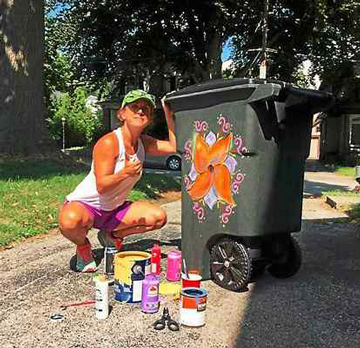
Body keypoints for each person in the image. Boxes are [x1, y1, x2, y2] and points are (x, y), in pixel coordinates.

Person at [58, 89, 176, 272]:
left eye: (146, 108)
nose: (140, 111)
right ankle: (83, 246)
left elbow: (172, 146)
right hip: (87, 206)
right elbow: (102, 186)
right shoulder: (109, 143)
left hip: (114, 209)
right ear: (122, 114)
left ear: (150, 118)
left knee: (158, 218)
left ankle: (112, 235)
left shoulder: (143, 143)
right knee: (69, 222)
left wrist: (168, 112)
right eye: (134, 107)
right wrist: (125, 173)